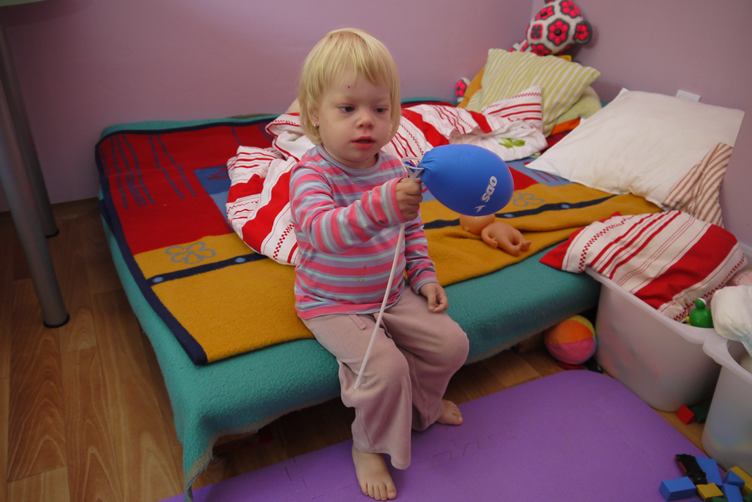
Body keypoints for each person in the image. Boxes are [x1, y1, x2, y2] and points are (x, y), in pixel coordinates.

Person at [289, 28, 470, 501]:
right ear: (315, 114)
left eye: (380, 108)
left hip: (390, 293)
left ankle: (422, 408)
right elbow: (321, 232)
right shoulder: (311, 173)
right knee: (385, 369)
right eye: (348, 108)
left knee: (452, 343)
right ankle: (367, 444)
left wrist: (424, 277)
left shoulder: (393, 168)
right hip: (331, 302)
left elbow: (411, 231)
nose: (365, 121)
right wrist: (381, 206)